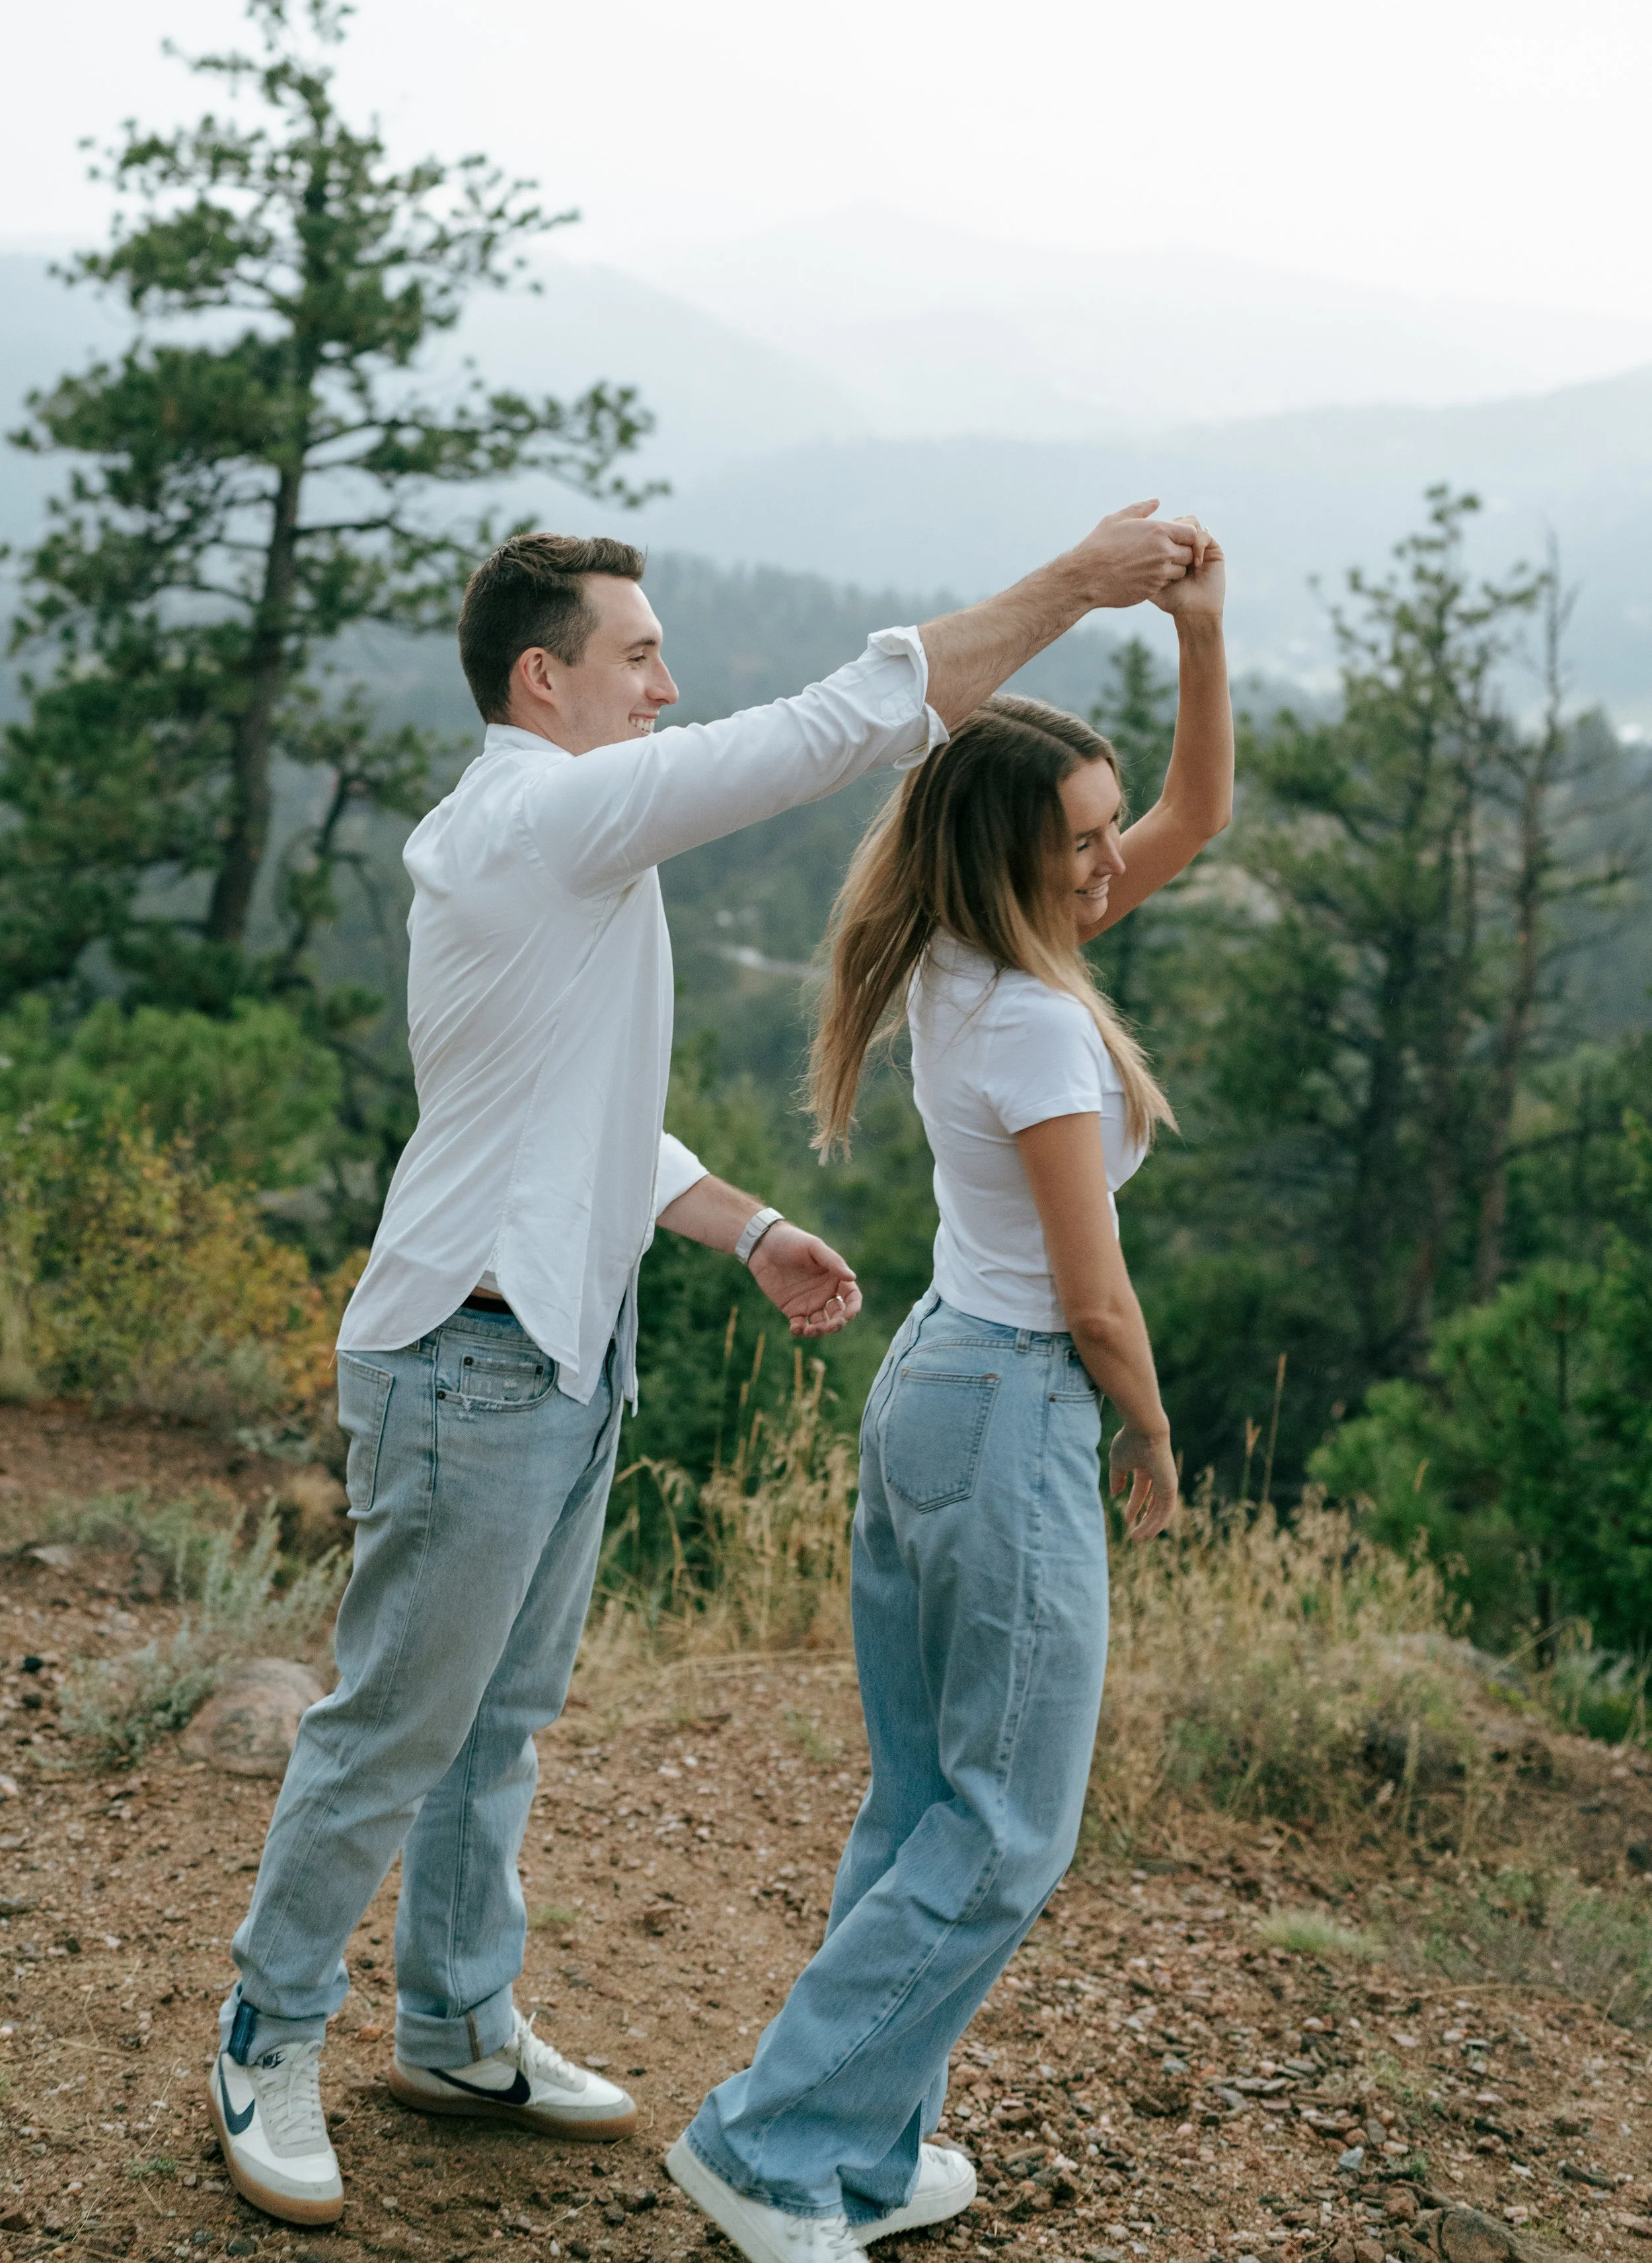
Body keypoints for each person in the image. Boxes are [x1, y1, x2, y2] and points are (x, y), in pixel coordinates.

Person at [206, 506, 1205, 2225]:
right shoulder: (544, 809)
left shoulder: (554, 848)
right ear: (546, 676)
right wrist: (1077, 585)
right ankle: (263, 2034)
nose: (669, 681)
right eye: (639, 654)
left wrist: (743, 1225)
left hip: (557, 1345)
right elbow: (832, 725)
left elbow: (567, 1111)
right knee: (392, 1723)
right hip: (469, 1356)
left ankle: (452, 2021)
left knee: (498, 1719)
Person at [666, 527, 1231, 2263]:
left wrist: (1201, 638)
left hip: (932, 1391)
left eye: (1097, 833)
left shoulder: (955, 957)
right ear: (1012, 857)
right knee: (1002, 1833)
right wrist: (1146, 1437)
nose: (1101, 864)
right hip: (1011, 1408)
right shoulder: (1042, 1027)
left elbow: (1189, 823)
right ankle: (765, 2144)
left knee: (923, 1802)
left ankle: (851, 2141)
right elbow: (1094, 1294)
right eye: (1076, 839)